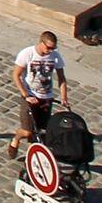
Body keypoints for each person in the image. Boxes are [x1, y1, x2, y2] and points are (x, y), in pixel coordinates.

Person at [9, 31, 70, 160]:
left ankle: (34, 157)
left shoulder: (55, 56)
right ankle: (16, 139)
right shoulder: (27, 54)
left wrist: (64, 97)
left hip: (46, 97)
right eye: (48, 47)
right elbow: (16, 75)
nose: (50, 51)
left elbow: (61, 78)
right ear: (41, 43)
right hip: (30, 96)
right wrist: (25, 95)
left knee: (42, 131)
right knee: (27, 131)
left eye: (53, 48)